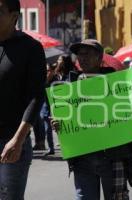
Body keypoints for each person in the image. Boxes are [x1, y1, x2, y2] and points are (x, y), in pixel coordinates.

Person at [52, 39, 132, 200]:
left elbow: (131, 117)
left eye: (87, 54)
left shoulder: (117, 84)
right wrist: (58, 124)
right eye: (79, 54)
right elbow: (64, 121)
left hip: (114, 157)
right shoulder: (69, 87)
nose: (82, 58)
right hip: (82, 159)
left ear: (100, 58)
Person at [0, 0, 46, 199]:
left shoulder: (31, 48)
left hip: (11, 142)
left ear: (14, 16)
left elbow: (36, 97)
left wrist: (18, 140)